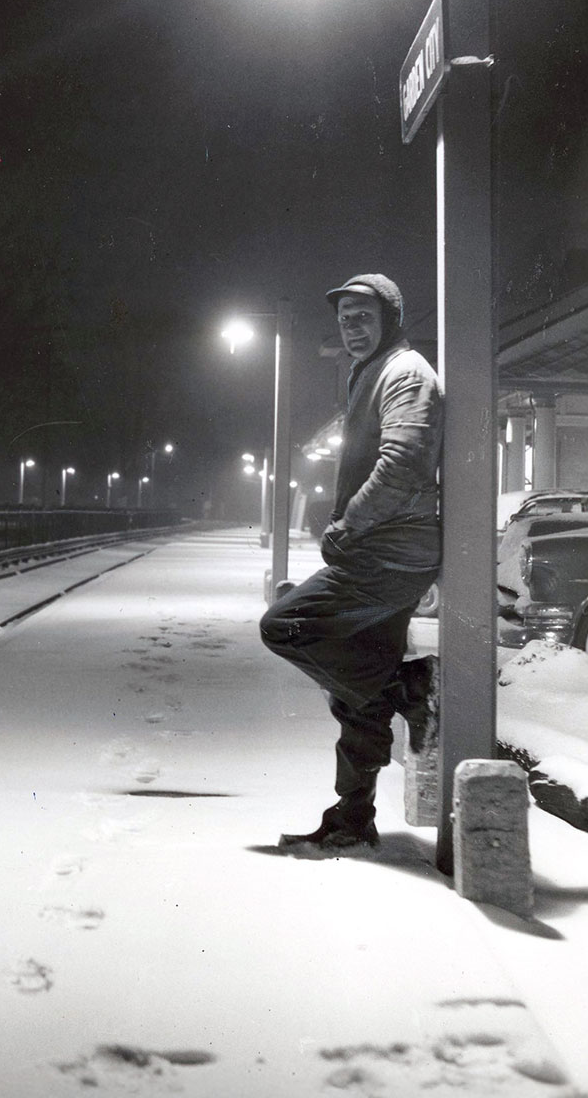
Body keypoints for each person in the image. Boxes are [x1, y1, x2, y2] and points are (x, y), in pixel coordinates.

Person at [258, 273, 442, 854]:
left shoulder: (405, 373)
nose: (351, 326)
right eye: (344, 317)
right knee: (355, 687)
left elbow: (403, 463)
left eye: (363, 315)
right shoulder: (374, 372)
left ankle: (409, 686)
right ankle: (353, 816)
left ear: (390, 318)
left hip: (391, 551)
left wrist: (347, 523)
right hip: (385, 548)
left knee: (285, 626)